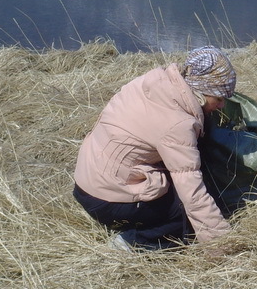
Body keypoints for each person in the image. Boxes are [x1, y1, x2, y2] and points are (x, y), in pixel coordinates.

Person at [73, 46, 236, 251]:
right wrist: (222, 243)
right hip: (106, 200)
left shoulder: (156, 83)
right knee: (185, 216)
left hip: (87, 182)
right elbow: (192, 194)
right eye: (219, 98)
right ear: (201, 91)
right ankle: (133, 243)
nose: (221, 105)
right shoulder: (178, 124)